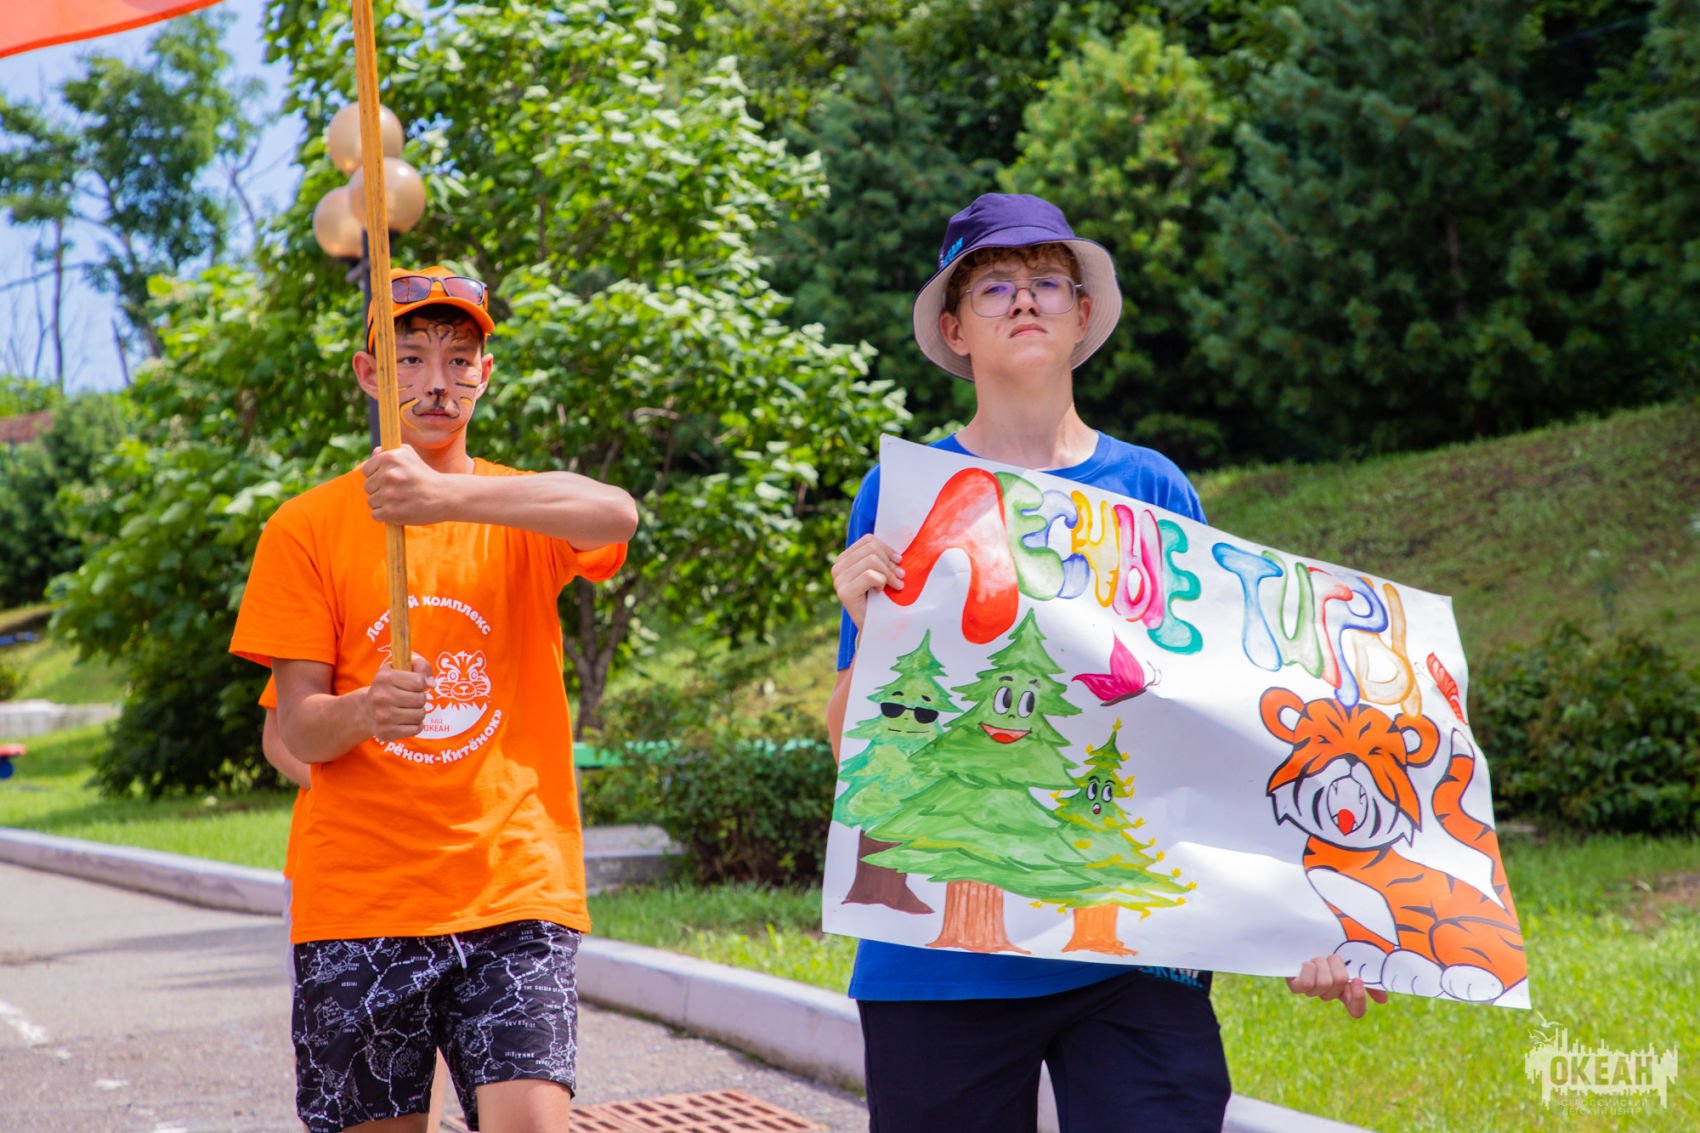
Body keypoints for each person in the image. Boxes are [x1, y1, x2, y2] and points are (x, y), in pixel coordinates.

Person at [826, 194, 1383, 1133]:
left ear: (1083, 314)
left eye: (1048, 281)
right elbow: (854, 745)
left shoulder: (1155, 490)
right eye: (993, 286)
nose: (1024, 299)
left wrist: (1304, 914)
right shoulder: (901, 494)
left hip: (1134, 955)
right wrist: (866, 630)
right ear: (955, 328)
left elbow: (1221, 723)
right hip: (938, 963)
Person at [231, 265, 638, 1133]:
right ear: (369, 374)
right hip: (360, 898)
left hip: (514, 883)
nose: (436, 382)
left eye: (459, 359)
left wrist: (445, 495)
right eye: (409, 358)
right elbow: (296, 728)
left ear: (484, 374)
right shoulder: (304, 527)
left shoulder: (518, 508)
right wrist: (365, 710)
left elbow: (616, 514)